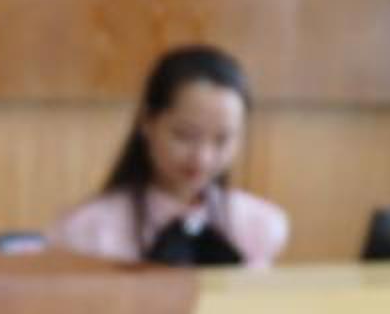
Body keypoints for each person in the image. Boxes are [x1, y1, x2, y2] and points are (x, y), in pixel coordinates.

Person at [54, 45, 289, 269]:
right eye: (185, 135)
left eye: (222, 140)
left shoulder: (259, 225)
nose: (202, 158)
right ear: (148, 122)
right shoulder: (87, 231)